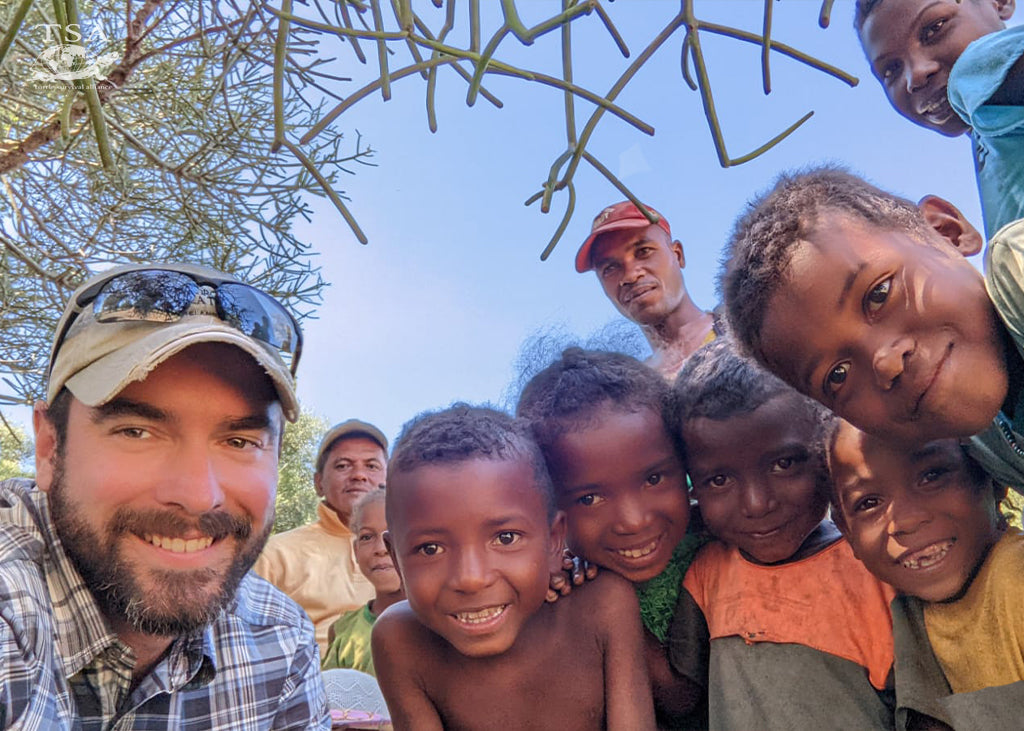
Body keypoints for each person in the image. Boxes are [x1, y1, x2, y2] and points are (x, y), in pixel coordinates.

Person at [0, 263, 330, 729]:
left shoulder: (281, 642)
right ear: (50, 449)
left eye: (240, 442)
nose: (198, 497)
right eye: (137, 432)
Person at [719, 166, 1024, 491]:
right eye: (837, 375)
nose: (887, 363)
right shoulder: (987, 444)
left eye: (880, 294)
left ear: (945, 231)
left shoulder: (1015, 265)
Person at [372, 405, 657, 731]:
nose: (471, 578)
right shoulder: (400, 641)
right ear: (395, 558)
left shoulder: (601, 607)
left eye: (505, 538)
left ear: (553, 541)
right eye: (430, 549)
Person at [669, 338, 896, 731]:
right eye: (719, 479)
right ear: (694, 490)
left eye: (784, 463)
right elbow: (682, 698)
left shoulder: (877, 568)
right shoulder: (707, 576)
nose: (756, 504)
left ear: (828, 451)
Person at [517, 348, 705, 729]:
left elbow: (682, 699)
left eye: (654, 479)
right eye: (590, 498)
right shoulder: (557, 584)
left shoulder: (717, 550)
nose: (633, 521)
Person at [830, 420, 1024, 730]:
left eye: (932, 476)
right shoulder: (910, 615)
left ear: (992, 476)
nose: (904, 520)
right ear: (846, 531)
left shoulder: (1016, 578)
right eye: (869, 503)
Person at [855, 0, 1024, 238]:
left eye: (935, 28)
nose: (915, 75)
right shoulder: (988, 135)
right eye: (891, 69)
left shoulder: (974, 70)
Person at [254, 419, 386, 655]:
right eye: (343, 466)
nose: (359, 475)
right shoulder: (275, 554)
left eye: (372, 466)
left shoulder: (414, 553)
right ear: (318, 484)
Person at [575, 201, 720, 379]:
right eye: (610, 268)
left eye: (643, 251)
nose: (630, 275)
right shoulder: (632, 393)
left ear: (677, 255)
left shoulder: (744, 333)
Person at [321, 489, 403, 675]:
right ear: (356, 550)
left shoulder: (441, 625)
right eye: (367, 537)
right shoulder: (343, 630)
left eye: (394, 533)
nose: (381, 548)